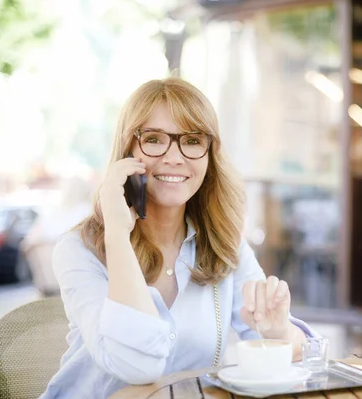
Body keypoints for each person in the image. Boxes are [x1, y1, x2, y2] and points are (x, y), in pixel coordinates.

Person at [41, 78, 316, 398]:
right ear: (126, 150)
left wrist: (277, 329)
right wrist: (117, 234)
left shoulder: (224, 247)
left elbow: (301, 353)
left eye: (192, 140)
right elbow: (136, 367)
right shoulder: (80, 250)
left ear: (209, 154)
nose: (174, 157)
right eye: (154, 139)